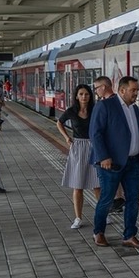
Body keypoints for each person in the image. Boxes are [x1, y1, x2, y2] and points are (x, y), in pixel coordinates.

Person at [89, 76, 139, 248]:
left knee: (133, 199)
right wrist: (103, 156)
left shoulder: (133, 109)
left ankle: (129, 235)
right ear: (122, 90)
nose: (136, 93)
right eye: (133, 90)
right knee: (107, 199)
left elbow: (134, 131)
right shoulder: (105, 106)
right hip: (111, 164)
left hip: (132, 163)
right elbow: (95, 133)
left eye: (137, 90)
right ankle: (98, 232)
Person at [56, 84, 101, 229]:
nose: (84, 97)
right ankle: (78, 218)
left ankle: (102, 216)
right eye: (81, 94)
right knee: (78, 185)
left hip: (94, 147)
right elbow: (59, 123)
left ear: (90, 96)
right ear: (76, 96)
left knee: (97, 185)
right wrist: (66, 137)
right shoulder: (71, 111)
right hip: (78, 147)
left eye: (87, 94)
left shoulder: (95, 110)